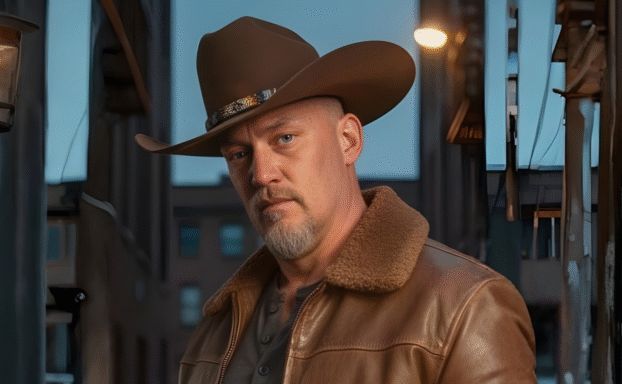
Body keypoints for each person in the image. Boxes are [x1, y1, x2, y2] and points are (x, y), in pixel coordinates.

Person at [136, 16, 537, 384]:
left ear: (348, 140)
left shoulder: (465, 308)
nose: (261, 174)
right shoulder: (212, 336)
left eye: (285, 139)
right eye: (239, 154)